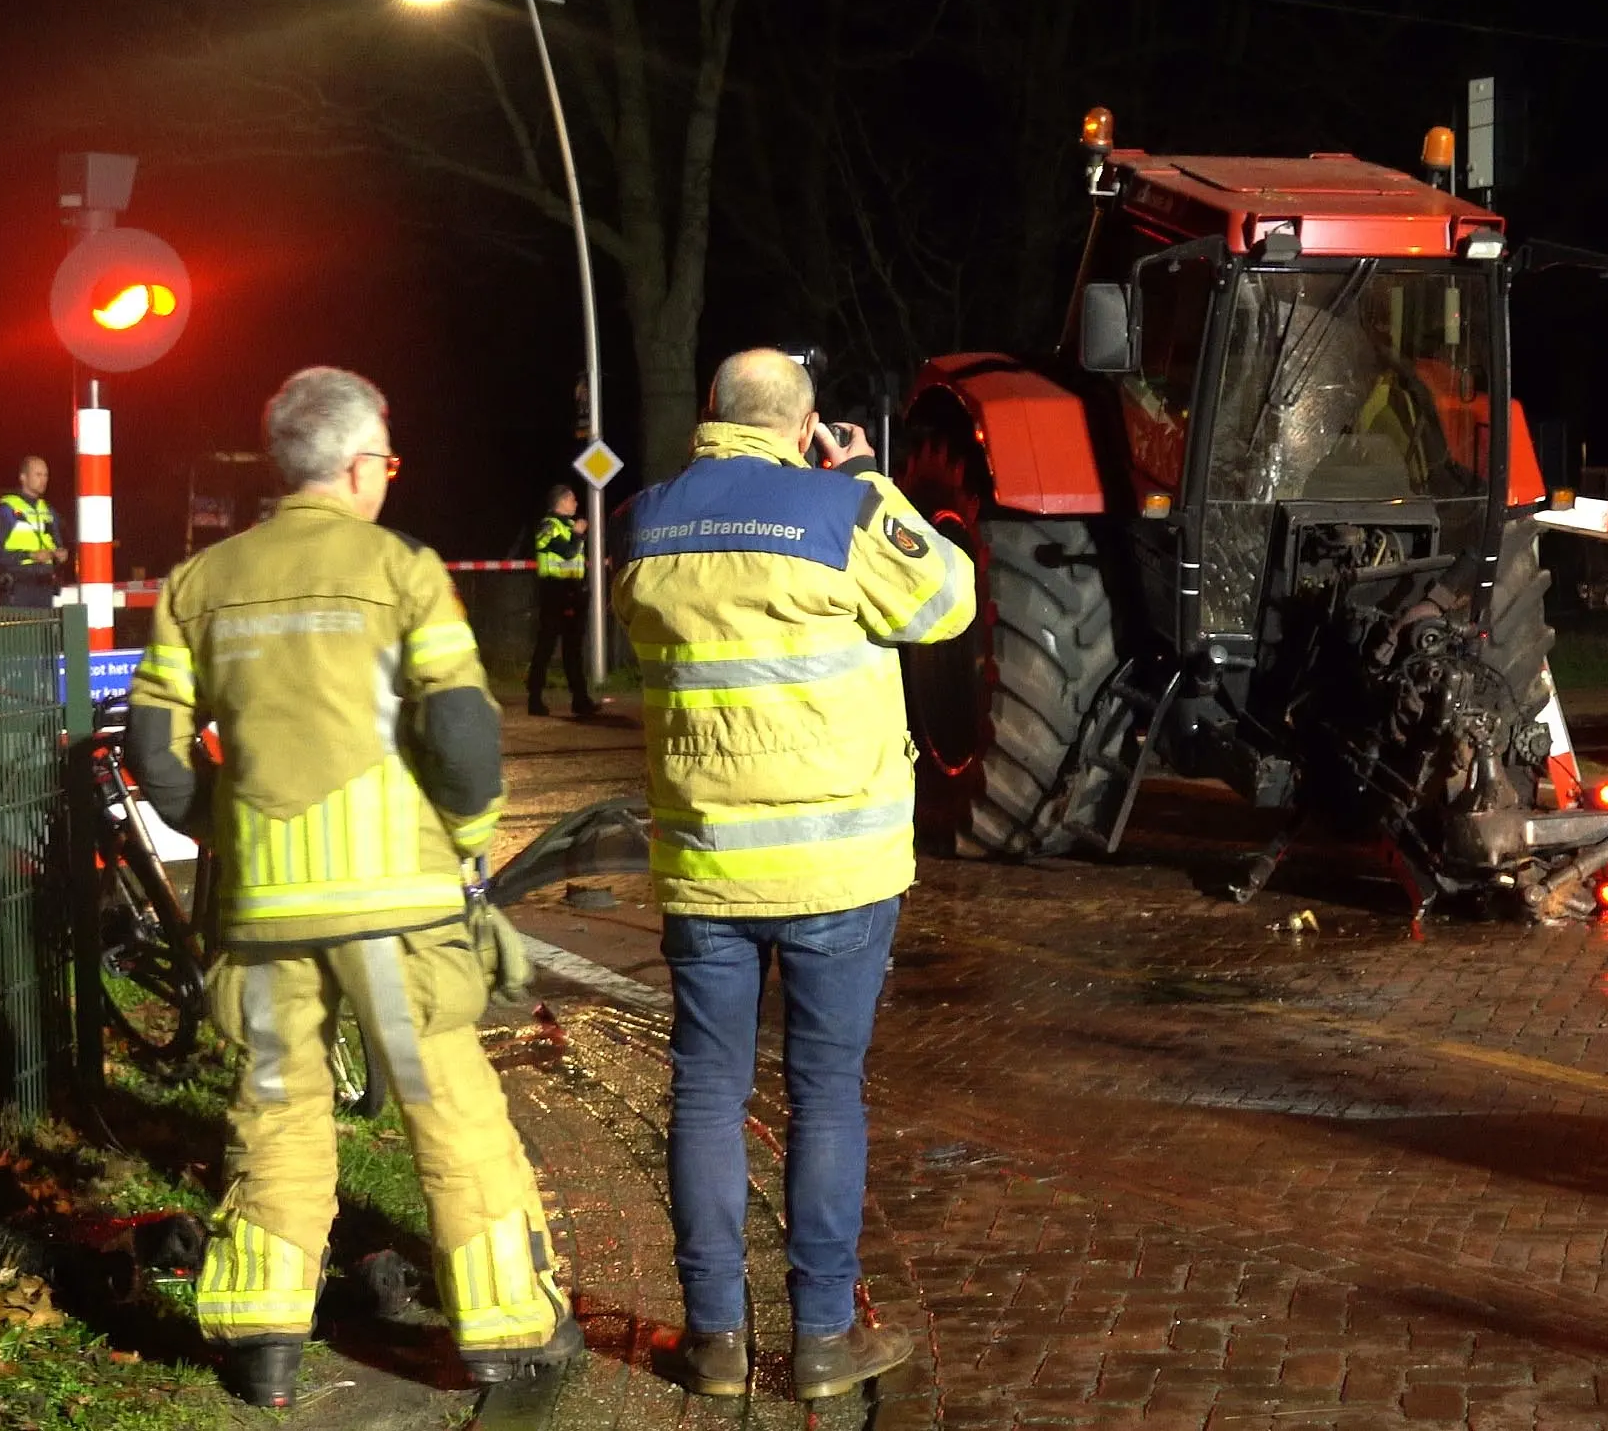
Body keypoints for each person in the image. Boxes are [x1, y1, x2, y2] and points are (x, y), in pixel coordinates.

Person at [126, 366, 582, 1409]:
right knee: (446, 1109)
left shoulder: (203, 582)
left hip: (265, 917)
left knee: (279, 1107)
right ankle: (509, 1333)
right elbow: (465, 736)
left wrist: (229, 830)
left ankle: (263, 1342)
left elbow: (155, 755)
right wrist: (462, 839)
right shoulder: (406, 571)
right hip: (396, 914)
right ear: (364, 465)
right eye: (388, 460)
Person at [613, 349, 974, 1401]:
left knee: (707, 1096)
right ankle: (821, 1341)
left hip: (705, 872)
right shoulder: (841, 512)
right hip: (837, 871)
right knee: (824, 1099)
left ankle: (716, 1343)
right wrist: (867, 479)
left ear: (708, 421)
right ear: (807, 423)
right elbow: (944, 603)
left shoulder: (643, 521)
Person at [526, 484, 596, 717]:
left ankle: (581, 700)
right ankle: (534, 699)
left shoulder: (568, 526)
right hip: (554, 592)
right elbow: (565, 552)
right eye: (572, 500)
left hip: (573, 592)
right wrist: (577, 534)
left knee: (573, 649)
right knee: (545, 646)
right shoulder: (549, 525)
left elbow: (574, 561)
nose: (576, 504)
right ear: (562, 502)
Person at [0, 455, 66, 608]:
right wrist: (31, 555)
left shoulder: (48, 511)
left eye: (46, 475)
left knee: (43, 632)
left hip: (45, 587)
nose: (44, 479)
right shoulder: (7, 511)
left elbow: (57, 543)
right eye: (38, 474)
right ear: (23, 477)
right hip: (18, 588)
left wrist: (59, 554)